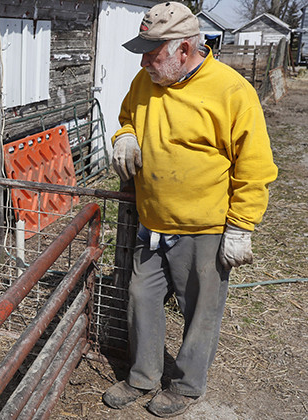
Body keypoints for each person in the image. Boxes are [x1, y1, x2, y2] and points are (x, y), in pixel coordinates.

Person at [102, 2, 278, 417]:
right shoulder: (146, 80)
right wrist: (124, 137)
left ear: (184, 50)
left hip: (205, 228)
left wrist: (241, 227)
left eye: (153, 52)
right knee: (140, 297)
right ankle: (143, 377)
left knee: (200, 311)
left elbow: (255, 167)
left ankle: (185, 386)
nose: (145, 61)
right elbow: (127, 117)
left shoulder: (231, 91)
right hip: (153, 222)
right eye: (143, 52)